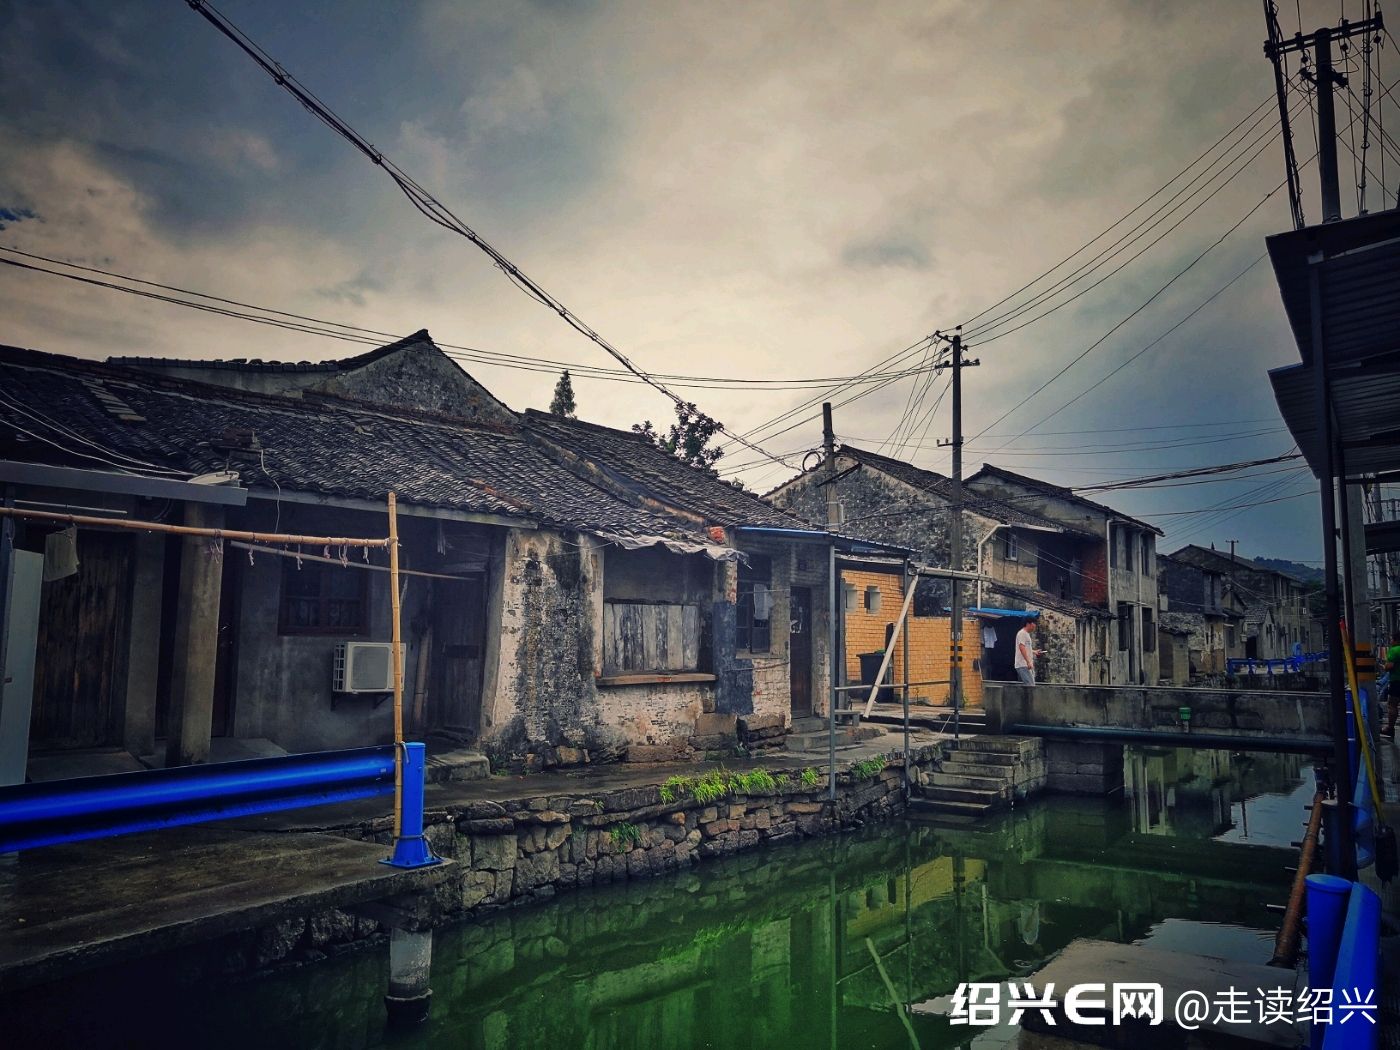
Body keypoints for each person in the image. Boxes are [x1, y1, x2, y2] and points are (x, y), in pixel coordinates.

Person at [1014, 619, 1045, 685]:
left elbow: (1026, 648)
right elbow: (1021, 648)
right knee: (1030, 686)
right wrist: (1028, 662)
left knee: (1028, 686)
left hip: (1026, 664)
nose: (1035, 625)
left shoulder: (1026, 634)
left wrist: (1034, 652)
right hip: (1023, 664)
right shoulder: (1022, 633)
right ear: (1028, 624)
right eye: (1033, 623)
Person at [1383, 637, 1400, 738]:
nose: (1391, 642)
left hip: (1397, 681)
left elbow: (1389, 666)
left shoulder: (1394, 650)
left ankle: (1390, 729)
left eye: (1392, 640)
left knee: (1392, 705)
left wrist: (1384, 667)